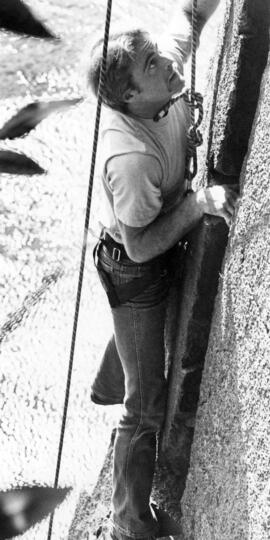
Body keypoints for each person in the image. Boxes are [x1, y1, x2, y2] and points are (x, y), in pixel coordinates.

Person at [88, 1, 238, 539]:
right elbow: (144, 246)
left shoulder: (160, 78)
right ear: (130, 95)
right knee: (146, 406)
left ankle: (111, 375)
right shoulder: (128, 158)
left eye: (156, 54)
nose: (167, 64)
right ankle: (128, 522)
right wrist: (197, 206)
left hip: (146, 239)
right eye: (152, 64)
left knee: (136, 347)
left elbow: (191, 20)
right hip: (133, 266)